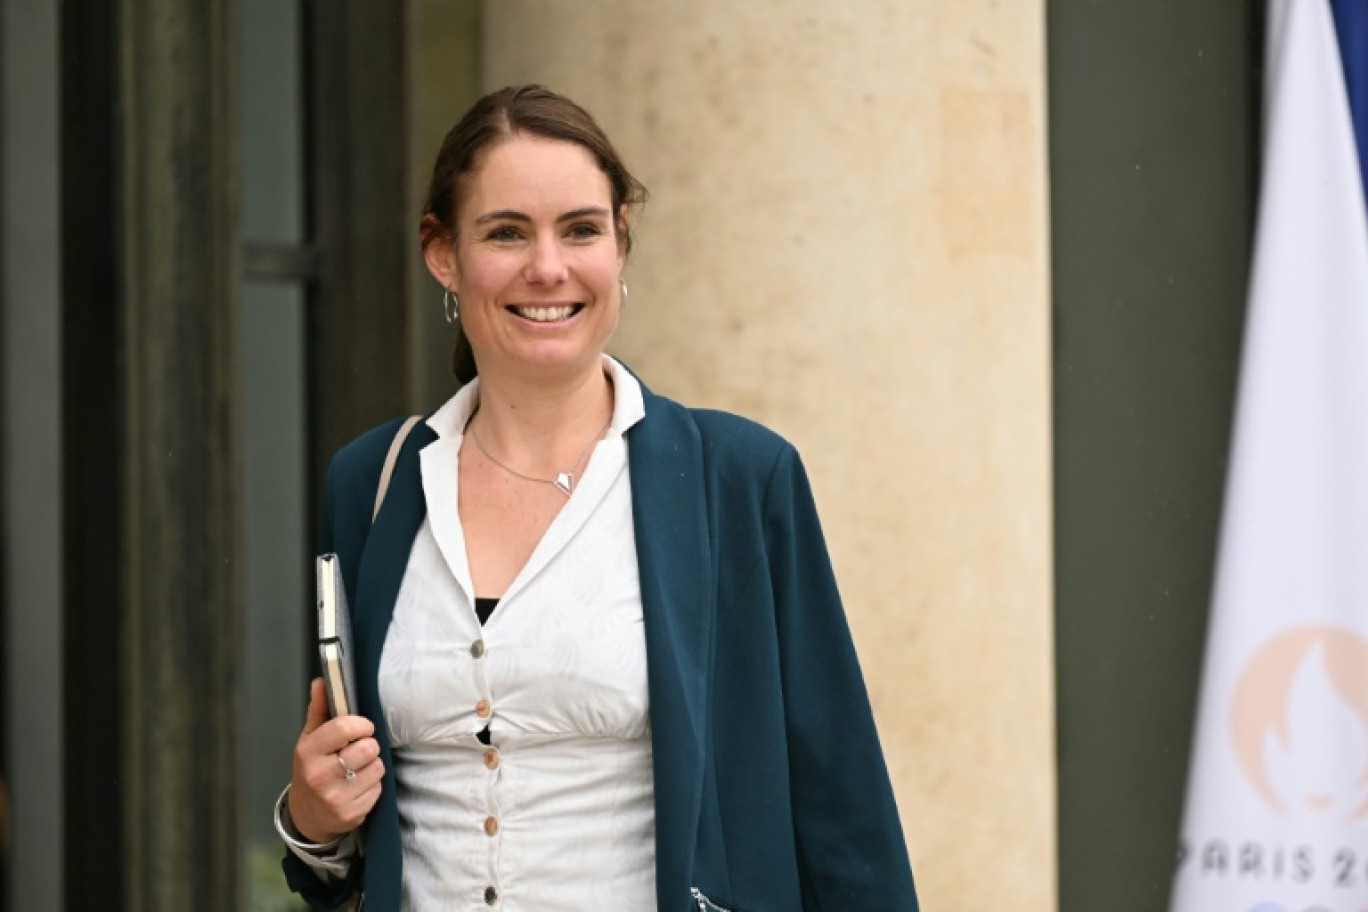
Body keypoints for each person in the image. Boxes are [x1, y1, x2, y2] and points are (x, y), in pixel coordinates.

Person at [275, 84, 919, 912]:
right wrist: (313, 814)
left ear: (620, 245)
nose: (549, 267)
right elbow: (339, 854)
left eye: (581, 229)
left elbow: (843, 812)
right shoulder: (373, 482)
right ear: (442, 254)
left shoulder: (737, 478)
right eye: (506, 232)